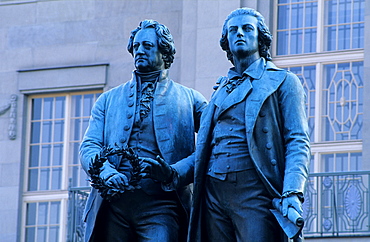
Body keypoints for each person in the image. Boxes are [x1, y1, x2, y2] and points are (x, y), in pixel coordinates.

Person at [185, 8, 310, 241]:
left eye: (247, 28)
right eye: (233, 30)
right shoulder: (220, 90)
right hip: (213, 194)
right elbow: (205, 149)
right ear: (226, 41)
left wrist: (293, 192)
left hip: (254, 193)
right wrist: (173, 173)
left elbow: (298, 141)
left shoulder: (283, 81)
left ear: (260, 38)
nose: (239, 33)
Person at [79, 19, 207, 242]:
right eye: (136, 46)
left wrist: (174, 172)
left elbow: (211, 145)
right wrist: (107, 172)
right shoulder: (108, 100)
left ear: (164, 52)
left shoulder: (190, 99)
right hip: (113, 206)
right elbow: (89, 147)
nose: (139, 51)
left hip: (161, 206)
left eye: (147, 46)